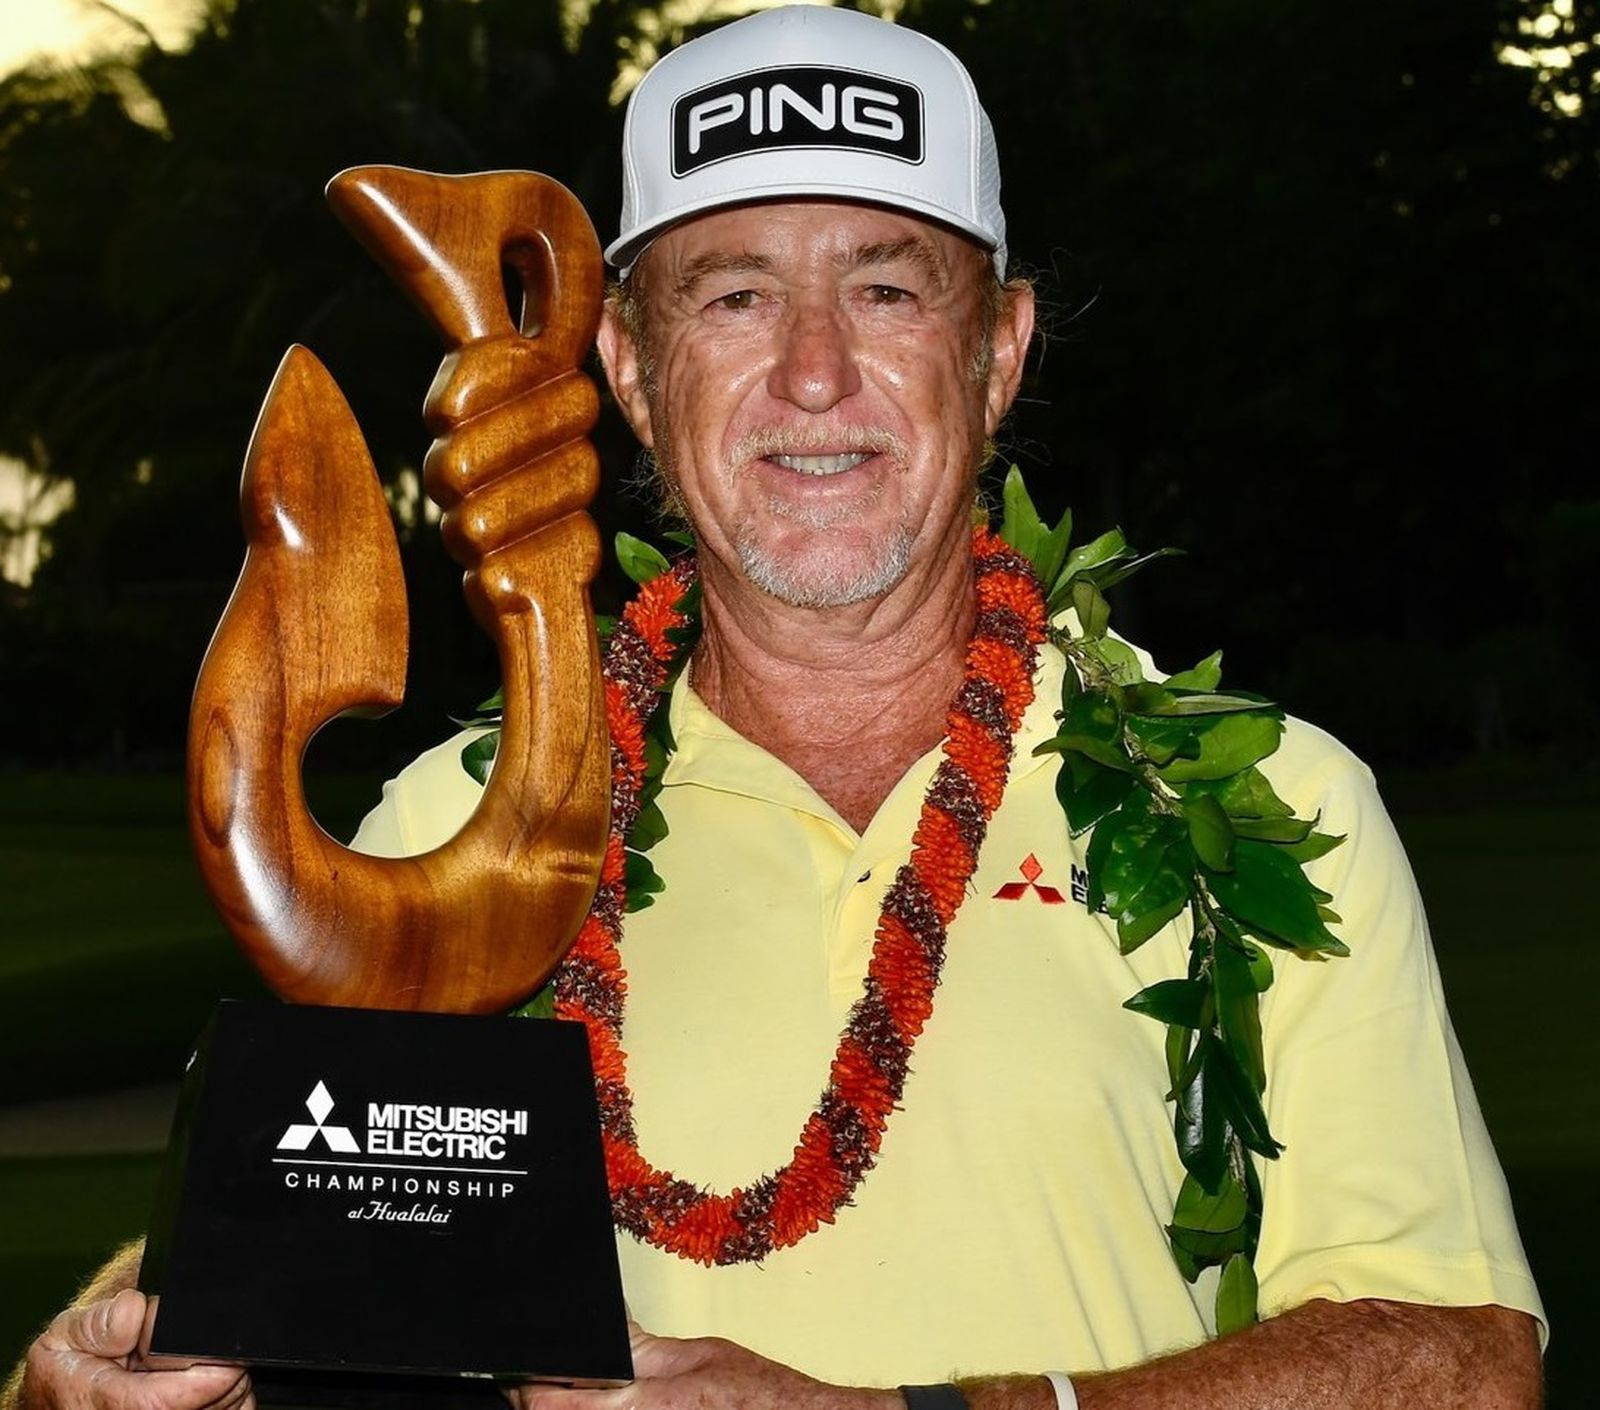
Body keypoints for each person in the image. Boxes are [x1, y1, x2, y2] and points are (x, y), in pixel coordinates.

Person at [10, 7, 1544, 1410]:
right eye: (735, 295)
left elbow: (1465, 1361)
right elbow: (298, 1265)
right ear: (627, 361)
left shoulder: (1271, 812)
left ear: (998, 350)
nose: (816, 373)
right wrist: (107, 1358)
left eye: (885, 285)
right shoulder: (452, 846)